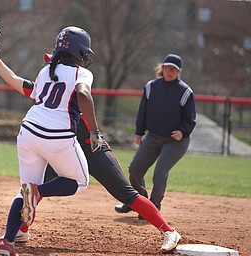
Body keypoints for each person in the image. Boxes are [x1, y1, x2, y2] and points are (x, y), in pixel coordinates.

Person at [11, 54, 183, 254]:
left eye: (56, 62)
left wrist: (95, 133)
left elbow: (82, 97)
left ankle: (169, 231)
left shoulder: (75, 86)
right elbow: (23, 86)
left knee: (126, 194)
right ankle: (21, 230)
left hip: (92, 151)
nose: (53, 66)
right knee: (35, 188)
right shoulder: (48, 90)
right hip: (64, 151)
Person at [0, 19, 103, 256]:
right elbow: (83, 94)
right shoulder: (81, 72)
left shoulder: (46, 71)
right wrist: (95, 131)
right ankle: (39, 192)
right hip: (58, 138)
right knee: (80, 183)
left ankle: (8, 241)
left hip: (28, 132)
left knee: (23, 189)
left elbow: (16, 81)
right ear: (78, 52)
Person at [115, 54, 196, 217]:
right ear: (162, 68)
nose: (170, 71)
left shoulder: (185, 92)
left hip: (175, 141)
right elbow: (142, 112)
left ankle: (154, 206)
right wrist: (139, 132)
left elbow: (191, 119)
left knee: (160, 171)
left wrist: (182, 131)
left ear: (179, 71)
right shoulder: (151, 86)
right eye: (167, 68)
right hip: (153, 137)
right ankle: (139, 203)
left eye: (174, 69)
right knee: (135, 169)